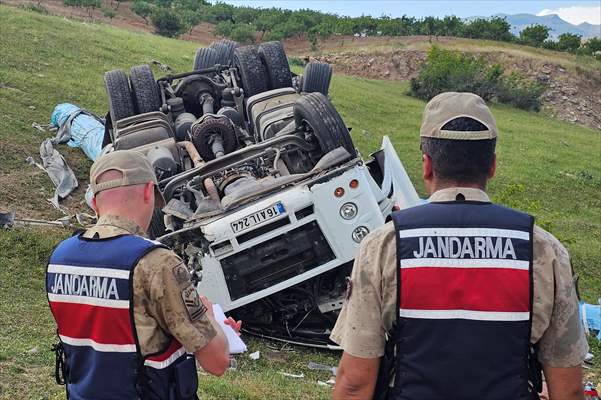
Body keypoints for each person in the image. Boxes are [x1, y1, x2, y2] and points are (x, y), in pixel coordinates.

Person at [331, 92, 588, 400]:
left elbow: (355, 383)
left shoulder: (384, 245)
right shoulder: (544, 250)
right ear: (491, 166)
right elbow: (568, 389)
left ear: (426, 165)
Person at [46, 150, 240, 400]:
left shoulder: (60, 258)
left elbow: (113, 334)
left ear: (94, 202)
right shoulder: (157, 262)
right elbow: (217, 361)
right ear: (149, 191)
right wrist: (209, 318)